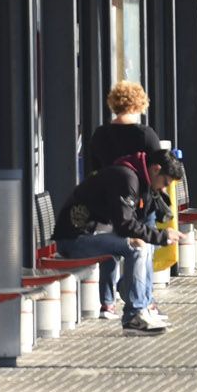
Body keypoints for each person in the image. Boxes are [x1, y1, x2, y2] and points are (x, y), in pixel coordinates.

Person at [51, 146, 181, 335]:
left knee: (142, 245)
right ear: (155, 169)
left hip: (91, 234)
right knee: (136, 248)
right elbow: (124, 224)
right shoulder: (128, 178)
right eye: (164, 182)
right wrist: (161, 236)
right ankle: (133, 316)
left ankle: (143, 308)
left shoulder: (135, 177)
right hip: (74, 240)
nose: (163, 188)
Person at [87, 80, 161, 317]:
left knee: (111, 249)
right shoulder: (146, 135)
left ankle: (107, 303)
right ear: (139, 103)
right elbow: (157, 168)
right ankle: (144, 299)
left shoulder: (100, 135)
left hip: (109, 202)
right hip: (139, 203)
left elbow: (93, 168)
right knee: (142, 249)